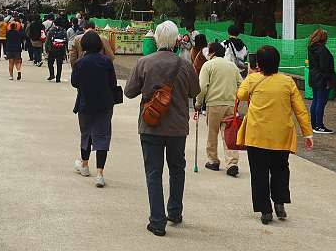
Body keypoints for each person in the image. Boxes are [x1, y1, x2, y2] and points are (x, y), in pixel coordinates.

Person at [124, 20, 200, 237]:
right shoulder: (185, 65)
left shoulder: (144, 62)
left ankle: (157, 221)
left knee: (153, 172)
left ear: (156, 38)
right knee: (177, 169)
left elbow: (129, 92)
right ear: (177, 39)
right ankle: (174, 211)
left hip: (151, 125)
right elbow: (194, 91)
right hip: (177, 127)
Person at [237, 45, 313, 225]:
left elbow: (240, 95)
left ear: (259, 64)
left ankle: (265, 210)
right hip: (281, 136)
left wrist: (250, 74)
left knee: (259, 173)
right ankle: (279, 202)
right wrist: (307, 133)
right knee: (280, 170)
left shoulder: (253, 79)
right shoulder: (287, 82)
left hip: (257, 135)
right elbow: (300, 109)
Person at [71, 31, 118, 188]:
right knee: (102, 135)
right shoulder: (106, 62)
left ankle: (84, 165)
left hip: (85, 103)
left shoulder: (80, 63)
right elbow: (113, 83)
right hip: (104, 104)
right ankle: (100, 174)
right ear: (99, 44)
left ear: (83, 45)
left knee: (86, 134)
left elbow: (74, 83)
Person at [194, 43, 242, 177]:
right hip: (230, 105)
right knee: (229, 134)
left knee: (212, 133)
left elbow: (202, 87)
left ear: (212, 52)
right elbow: (242, 84)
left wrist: (198, 103)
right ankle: (232, 163)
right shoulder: (232, 66)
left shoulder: (208, 66)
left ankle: (213, 160)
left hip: (213, 104)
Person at [307, 29, 336, 134]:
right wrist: (330, 78)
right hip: (322, 79)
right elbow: (325, 66)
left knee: (316, 101)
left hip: (314, 77)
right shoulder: (322, 50)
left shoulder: (311, 48)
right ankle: (319, 125)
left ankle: (314, 124)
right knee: (321, 101)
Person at [45, 17, 69, 83]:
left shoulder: (52, 30)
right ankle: (58, 78)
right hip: (61, 49)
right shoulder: (64, 31)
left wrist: (46, 49)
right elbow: (66, 40)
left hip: (52, 49)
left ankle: (52, 74)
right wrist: (66, 50)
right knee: (59, 64)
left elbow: (47, 40)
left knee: (50, 63)